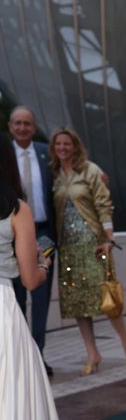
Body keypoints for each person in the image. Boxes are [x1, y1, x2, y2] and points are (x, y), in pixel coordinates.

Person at [0, 134, 72, 420]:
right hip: (3, 309)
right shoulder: (18, 210)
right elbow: (29, 280)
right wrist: (45, 262)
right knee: (11, 396)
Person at [49, 126, 126, 374]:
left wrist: (109, 238)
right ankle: (92, 353)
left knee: (107, 300)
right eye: (58, 145)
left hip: (94, 245)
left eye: (67, 144)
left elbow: (103, 205)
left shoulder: (91, 170)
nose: (63, 148)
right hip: (68, 249)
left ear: (75, 146)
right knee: (78, 304)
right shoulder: (54, 173)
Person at [8, 106, 56, 375]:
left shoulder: (44, 153)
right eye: (18, 123)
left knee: (41, 298)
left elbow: (71, 169)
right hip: (13, 235)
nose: (23, 128)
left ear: (34, 127)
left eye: (27, 123)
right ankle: (20, 357)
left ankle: (38, 356)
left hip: (44, 233)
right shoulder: (5, 157)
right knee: (15, 299)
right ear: (10, 127)